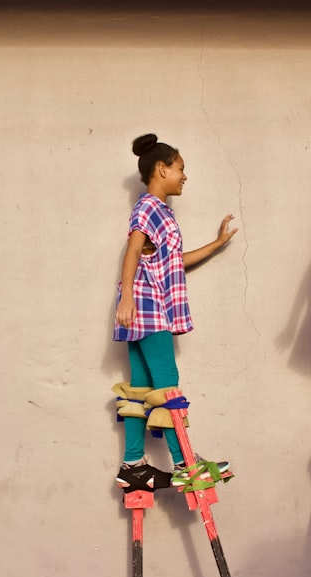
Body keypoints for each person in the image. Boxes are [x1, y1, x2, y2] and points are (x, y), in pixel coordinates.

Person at [112, 133, 238, 492]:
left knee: (140, 389)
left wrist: (217, 244)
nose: (184, 176)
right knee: (168, 387)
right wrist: (126, 300)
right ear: (162, 169)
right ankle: (185, 463)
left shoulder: (159, 211)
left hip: (143, 309)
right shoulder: (149, 208)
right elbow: (133, 251)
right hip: (147, 308)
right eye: (180, 169)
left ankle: (133, 464)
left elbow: (172, 263)